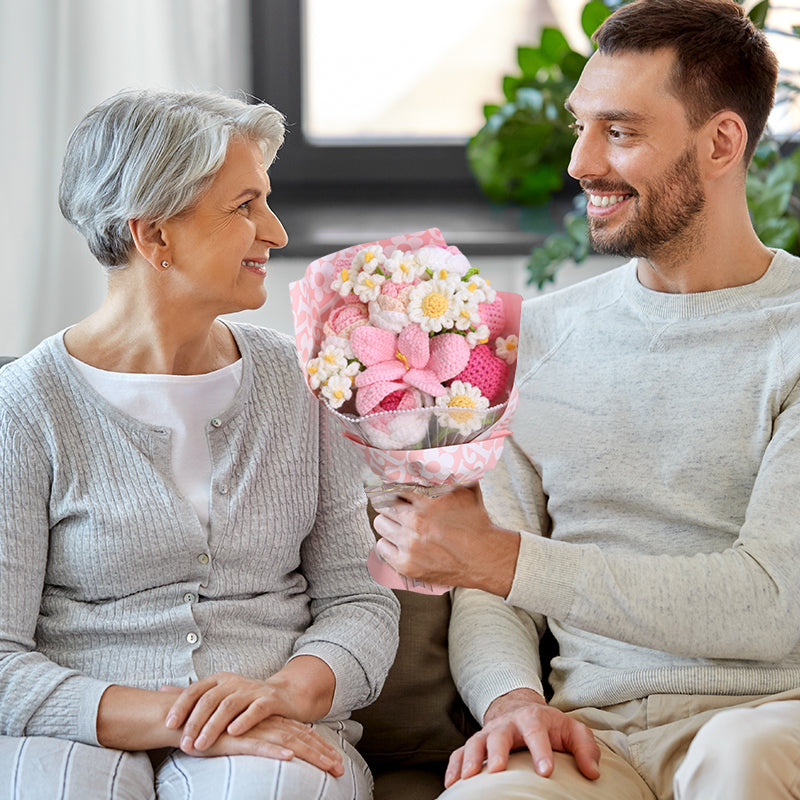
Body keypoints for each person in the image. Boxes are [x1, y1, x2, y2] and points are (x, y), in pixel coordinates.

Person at [373, 1, 800, 797]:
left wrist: (506, 561)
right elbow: (489, 589)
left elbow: (771, 604)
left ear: (721, 143)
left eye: (621, 131)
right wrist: (510, 699)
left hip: (769, 714)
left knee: (741, 763)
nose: (580, 162)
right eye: (581, 125)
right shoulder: (529, 340)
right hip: (590, 735)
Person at [0, 88, 399, 800]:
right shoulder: (25, 409)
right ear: (154, 235)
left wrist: (287, 693)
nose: (274, 231)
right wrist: (179, 720)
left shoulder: (304, 383)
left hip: (275, 730)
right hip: (77, 725)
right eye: (245, 205)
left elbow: (358, 598)